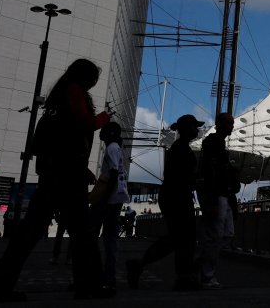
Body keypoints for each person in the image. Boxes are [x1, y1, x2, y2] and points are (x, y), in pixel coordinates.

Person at [0, 58, 112, 301]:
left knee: (29, 233)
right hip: (67, 178)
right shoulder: (75, 92)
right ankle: (90, 286)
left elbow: (64, 138)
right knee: (83, 235)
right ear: (85, 77)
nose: (94, 82)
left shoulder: (59, 97)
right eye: (93, 77)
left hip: (56, 174)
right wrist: (104, 118)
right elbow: (85, 124)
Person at [127, 114, 203, 291]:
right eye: (194, 127)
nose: (197, 130)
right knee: (182, 237)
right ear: (186, 129)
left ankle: (180, 275)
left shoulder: (179, 147)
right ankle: (182, 276)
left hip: (174, 195)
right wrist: (196, 180)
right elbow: (181, 177)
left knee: (179, 238)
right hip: (178, 196)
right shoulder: (181, 149)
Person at [197, 112, 240, 289]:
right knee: (216, 234)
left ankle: (203, 263)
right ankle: (206, 274)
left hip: (223, 194)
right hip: (217, 194)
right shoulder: (213, 143)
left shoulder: (218, 143)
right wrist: (212, 198)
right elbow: (211, 172)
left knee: (226, 233)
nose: (232, 126)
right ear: (220, 124)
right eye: (229, 123)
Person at [89, 121, 130, 290]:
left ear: (110, 133)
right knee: (110, 238)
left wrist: (105, 197)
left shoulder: (112, 147)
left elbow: (113, 172)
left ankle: (97, 274)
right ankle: (109, 275)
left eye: (104, 131)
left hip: (108, 199)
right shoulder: (117, 148)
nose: (100, 133)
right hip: (117, 198)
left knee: (92, 233)